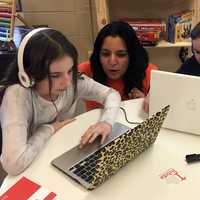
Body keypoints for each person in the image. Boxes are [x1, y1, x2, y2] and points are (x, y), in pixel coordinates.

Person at [0, 28, 121, 175]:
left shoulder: (72, 81)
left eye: (70, 71)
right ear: (29, 75)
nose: (67, 82)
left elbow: (111, 95)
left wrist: (106, 122)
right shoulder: (17, 95)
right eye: (55, 75)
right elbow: (13, 164)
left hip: (60, 154)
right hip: (31, 167)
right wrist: (48, 129)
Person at [79, 21, 157, 112]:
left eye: (121, 55)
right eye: (105, 54)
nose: (112, 62)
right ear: (98, 55)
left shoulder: (148, 72)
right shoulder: (86, 70)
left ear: (132, 56)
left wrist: (146, 103)